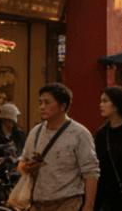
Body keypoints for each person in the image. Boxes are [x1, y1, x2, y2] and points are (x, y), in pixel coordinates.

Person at [18, 83, 98, 211]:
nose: (42, 107)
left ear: (63, 106)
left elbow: (91, 172)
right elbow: (22, 163)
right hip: (37, 203)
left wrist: (88, 206)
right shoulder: (35, 132)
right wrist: (25, 167)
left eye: (47, 103)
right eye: (40, 103)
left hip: (67, 203)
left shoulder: (79, 133)